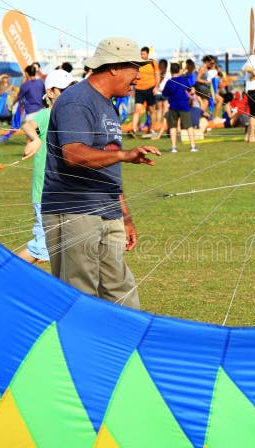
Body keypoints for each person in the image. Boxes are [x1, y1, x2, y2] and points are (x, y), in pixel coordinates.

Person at [41, 37, 162, 309]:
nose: (138, 77)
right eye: (135, 68)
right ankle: (78, 350)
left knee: (120, 288)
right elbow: (74, 155)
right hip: (75, 209)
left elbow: (107, 166)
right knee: (79, 290)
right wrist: (124, 154)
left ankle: (130, 347)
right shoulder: (77, 101)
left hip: (107, 211)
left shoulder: (107, 104)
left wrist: (125, 217)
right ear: (114, 67)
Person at [18, 69, 78, 264]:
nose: (69, 94)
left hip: (65, 193)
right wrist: (35, 139)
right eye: (64, 90)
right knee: (42, 249)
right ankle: (4, 271)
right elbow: (27, 125)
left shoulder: (71, 116)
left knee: (65, 245)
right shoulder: (47, 115)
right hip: (46, 194)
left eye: (71, 89)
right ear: (50, 93)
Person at [162, 62, 198, 153]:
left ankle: (173, 147)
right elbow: (190, 90)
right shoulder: (184, 80)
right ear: (179, 70)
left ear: (170, 71)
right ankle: (193, 146)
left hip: (173, 105)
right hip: (183, 105)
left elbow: (165, 94)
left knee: (173, 126)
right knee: (188, 126)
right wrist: (192, 90)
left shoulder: (169, 82)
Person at [130, 47, 160, 137]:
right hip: (139, 89)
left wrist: (156, 87)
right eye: (141, 54)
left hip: (150, 88)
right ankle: (134, 129)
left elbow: (157, 75)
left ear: (147, 54)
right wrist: (132, 88)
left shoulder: (153, 62)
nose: (142, 56)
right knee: (137, 110)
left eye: (143, 54)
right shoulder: (138, 63)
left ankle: (152, 129)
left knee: (151, 110)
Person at [152, 58, 170, 140]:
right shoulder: (168, 74)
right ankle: (163, 126)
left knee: (159, 110)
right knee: (165, 111)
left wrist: (157, 90)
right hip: (165, 93)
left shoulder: (158, 73)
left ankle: (158, 125)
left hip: (158, 94)